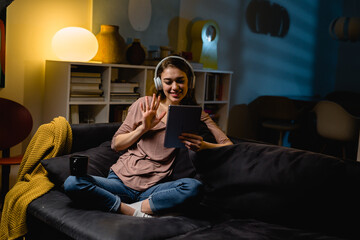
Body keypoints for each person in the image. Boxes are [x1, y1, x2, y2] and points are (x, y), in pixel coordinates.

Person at [64, 56, 233, 218]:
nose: (175, 87)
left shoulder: (197, 115)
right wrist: (143, 128)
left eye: (180, 80)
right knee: (73, 182)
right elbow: (116, 144)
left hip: (154, 188)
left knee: (194, 187)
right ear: (159, 83)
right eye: (168, 82)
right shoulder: (144, 104)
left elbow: (229, 146)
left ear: (190, 81)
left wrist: (204, 146)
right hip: (120, 181)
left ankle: (130, 207)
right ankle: (129, 211)